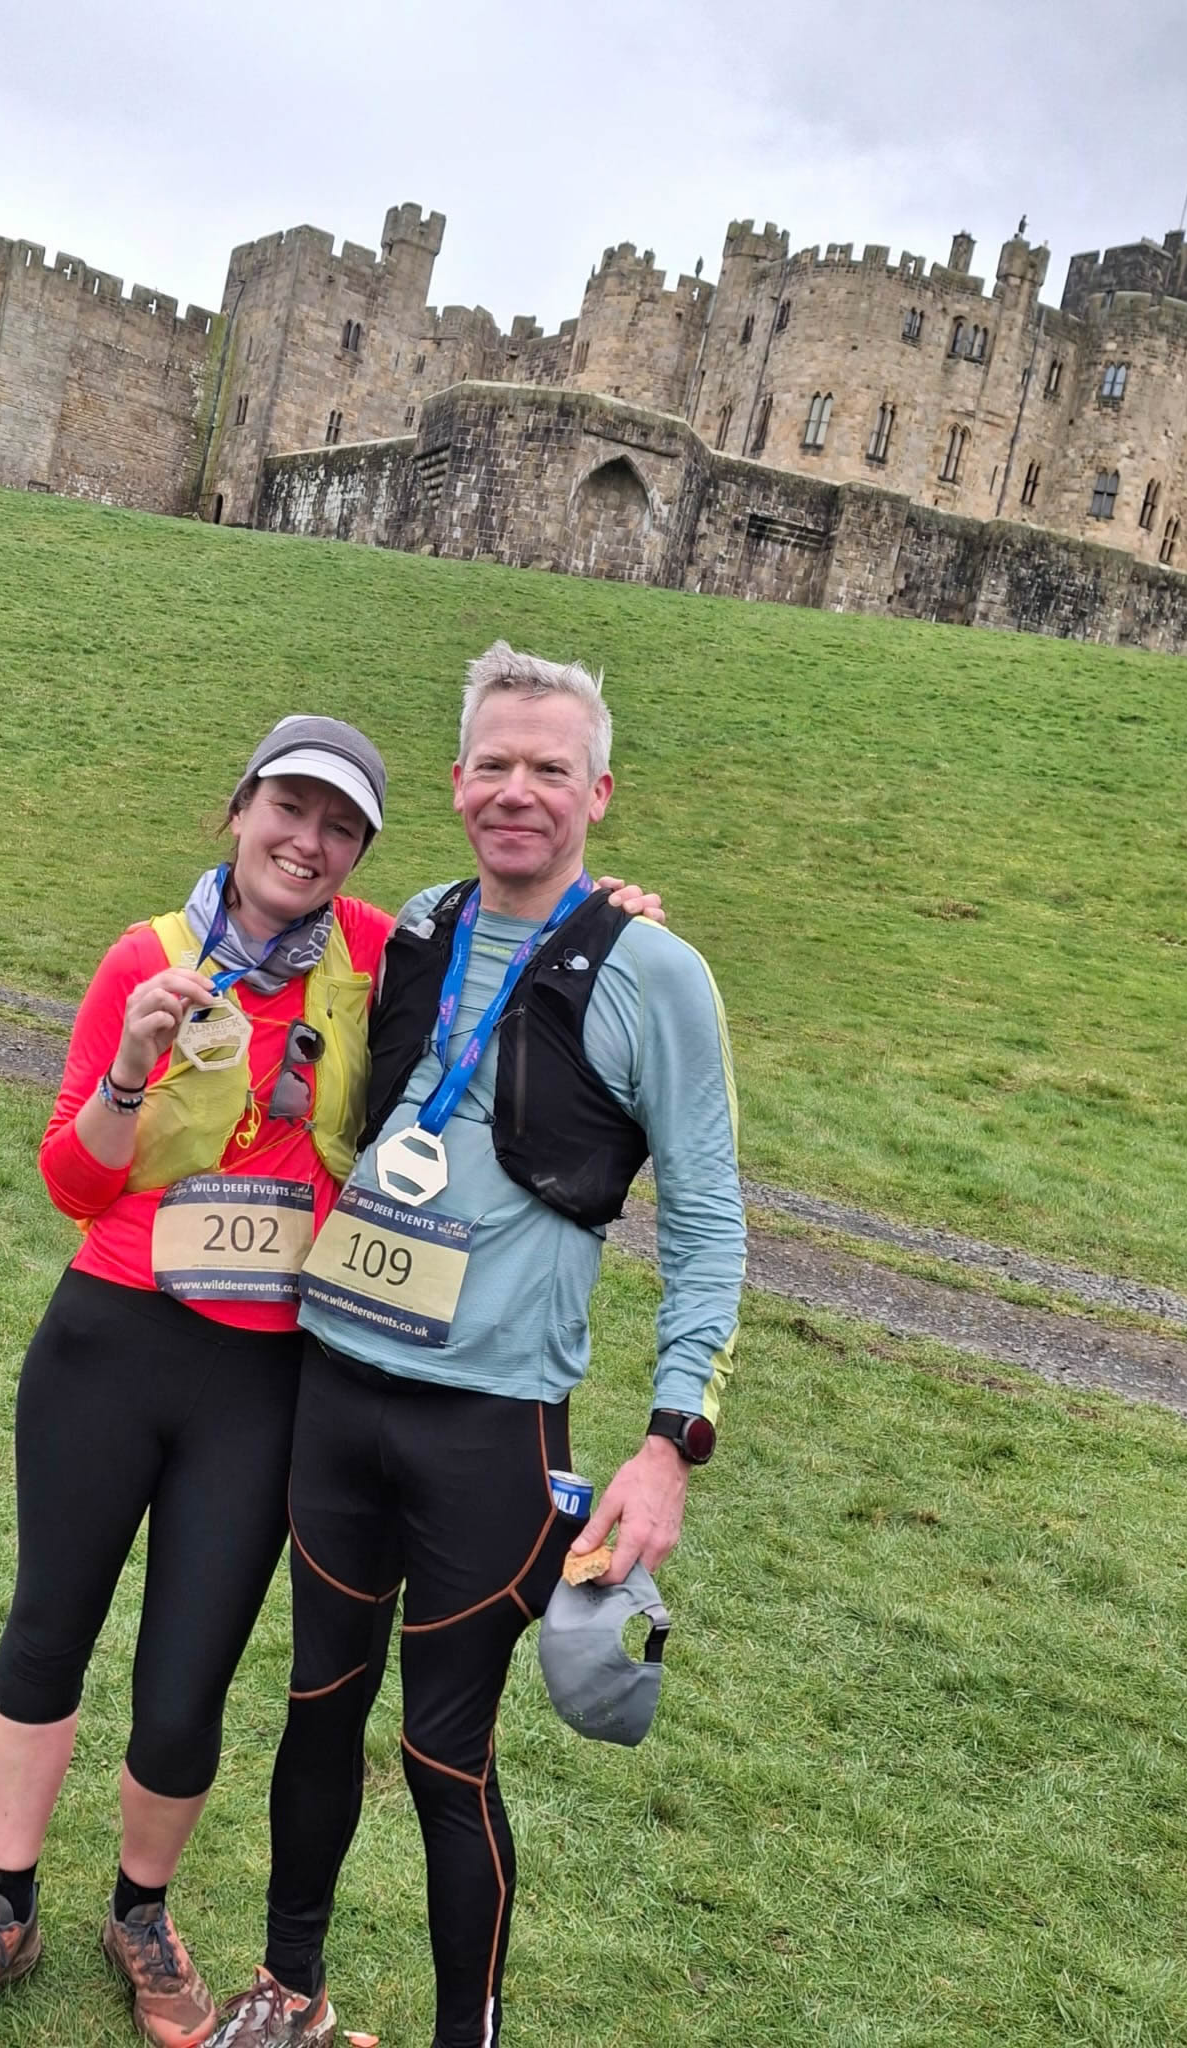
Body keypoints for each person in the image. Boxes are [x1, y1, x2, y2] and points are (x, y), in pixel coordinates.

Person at [0, 713, 663, 2046]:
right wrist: (129, 1069)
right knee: (48, 1630)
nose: (307, 842)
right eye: (289, 810)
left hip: (263, 1377)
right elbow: (71, 1181)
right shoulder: (145, 957)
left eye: (340, 826)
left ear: (359, 851)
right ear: (240, 810)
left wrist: (606, 915)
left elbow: (513, 939)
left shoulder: (376, 953)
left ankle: (141, 1915)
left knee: (188, 1671)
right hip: (109, 1343)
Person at [203, 644, 746, 2048]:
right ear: (455, 782)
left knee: (445, 1756)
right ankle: (287, 1991)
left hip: (492, 1427)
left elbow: (709, 1225)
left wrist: (671, 1442)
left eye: (550, 769)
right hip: (338, 1392)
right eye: (494, 764)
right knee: (316, 1708)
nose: (518, 791)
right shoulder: (418, 929)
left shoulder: (657, 974)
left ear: (598, 793)